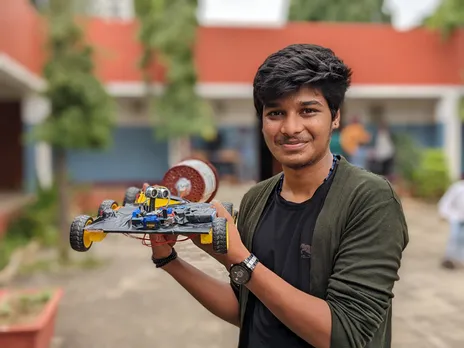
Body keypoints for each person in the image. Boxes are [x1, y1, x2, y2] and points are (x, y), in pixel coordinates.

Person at [148, 44, 409, 348]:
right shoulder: (258, 198)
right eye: (276, 113)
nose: (291, 127)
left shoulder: (369, 199)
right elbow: (248, 307)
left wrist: (239, 258)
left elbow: (346, 335)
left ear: (335, 117)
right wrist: (168, 260)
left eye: (308, 111)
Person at [438, 180, 464, 269]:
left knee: (462, 239)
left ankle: (460, 259)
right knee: (454, 237)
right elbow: (447, 200)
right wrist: (443, 212)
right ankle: (449, 258)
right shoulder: (458, 187)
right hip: (456, 216)